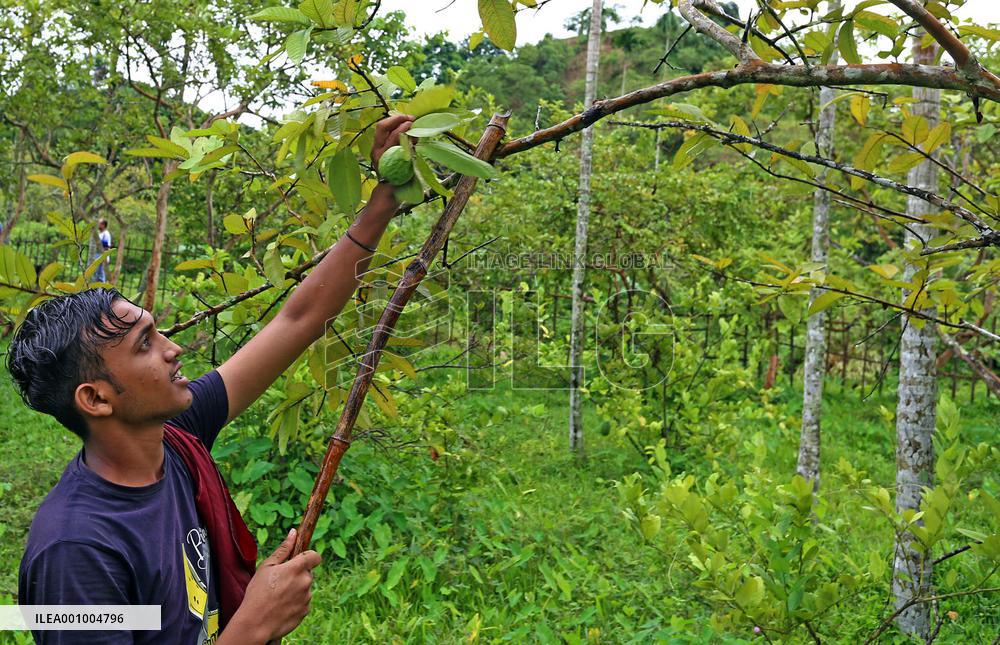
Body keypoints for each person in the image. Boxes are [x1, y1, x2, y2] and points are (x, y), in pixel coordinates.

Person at [7, 115, 414, 644]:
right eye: (146, 345)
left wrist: (382, 200)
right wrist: (252, 625)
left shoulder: (175, 440)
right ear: (96, 398)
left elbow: (299, 319)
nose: (175, 350)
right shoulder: (74, 553)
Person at [92, 218, 112, 283]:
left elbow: (107, 246)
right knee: (96, 273)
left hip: (102, 255)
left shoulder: (106, 234)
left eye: (100, 223)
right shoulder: (100, 233)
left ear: (103, 225)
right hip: (97, 254)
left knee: (101, 275)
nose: (98, 225)